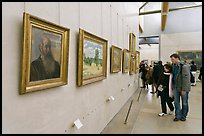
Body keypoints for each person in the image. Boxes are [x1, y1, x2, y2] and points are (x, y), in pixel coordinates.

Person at [170, 53, 191, 121]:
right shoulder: (173, 66)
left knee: (184, 103)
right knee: (176, 102)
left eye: (173, 59)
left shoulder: (184, 66)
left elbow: (186, 79)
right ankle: (177, 116)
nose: (171, 60)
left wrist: (184, 89)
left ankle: (183, 116)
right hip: (175, 87)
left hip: (183, 88)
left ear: (177, 58)